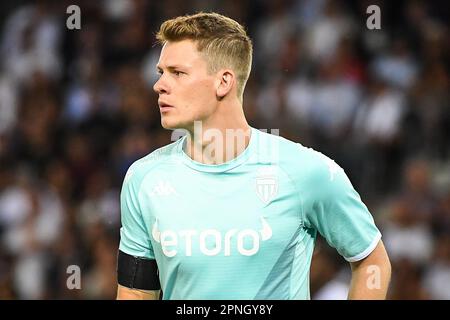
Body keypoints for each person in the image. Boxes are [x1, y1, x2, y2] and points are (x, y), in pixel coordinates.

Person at [116, 12, 391, 300]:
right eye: (161, 72)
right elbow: (135, 292)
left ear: (223, 82)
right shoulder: (144, 178)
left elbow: (372, 260)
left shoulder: (305, 171)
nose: (159, 85)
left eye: (178, 73)